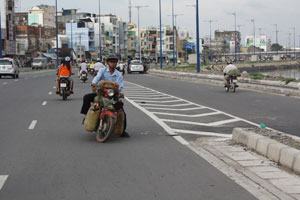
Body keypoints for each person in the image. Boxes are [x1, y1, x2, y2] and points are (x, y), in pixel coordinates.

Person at [80, 54, 129, 137]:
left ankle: (122, 131)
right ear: (107, 62)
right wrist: (94, 84)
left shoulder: (118, 74)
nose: (113, 63)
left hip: (112, 95)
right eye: (111, 62)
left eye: (114, 62)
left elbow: (120, 85)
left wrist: (119, 92)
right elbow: (97, 78)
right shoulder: (102, 70)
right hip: (101, 92)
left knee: (122, 112)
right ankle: (86, 116)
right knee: (86, 97)